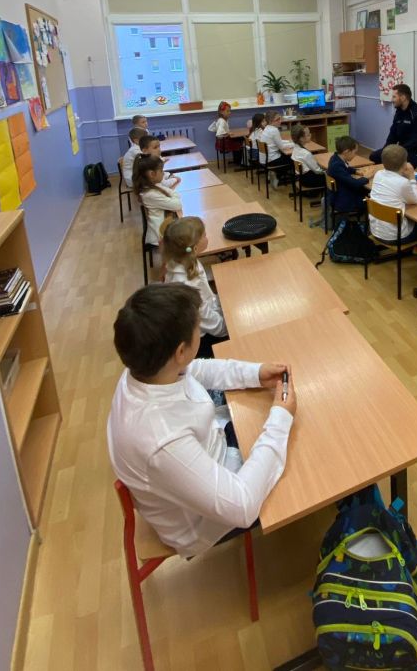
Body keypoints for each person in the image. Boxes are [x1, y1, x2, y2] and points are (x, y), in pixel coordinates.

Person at [107, 283, 296, 557]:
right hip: (201, 522)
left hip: (205, 456)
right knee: (299, 457)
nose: (200, 331)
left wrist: (255, 373)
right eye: (198, 328)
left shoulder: (146, 370)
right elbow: (242, 506)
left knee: (267, 424)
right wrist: (281, 416)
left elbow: (197, 369)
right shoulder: (161, 441)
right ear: (180, 352)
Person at [161, 218, 228, 357]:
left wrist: (222, 305)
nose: (207, 237)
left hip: (209, 322)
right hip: (202, 340)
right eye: (204, 235)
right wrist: (227, 329)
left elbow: (207, 299)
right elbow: (205, 319)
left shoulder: (185, 260)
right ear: (195, 247)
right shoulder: (186, 285)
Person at [368, 144, 417, 254]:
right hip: (396, 237)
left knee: (411, 216)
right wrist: (411, 177)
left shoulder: (378, 174)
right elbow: (415, 200)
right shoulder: (403, 183)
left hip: (376, 231)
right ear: (405, 164)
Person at [370, 84, 417, 168]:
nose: (392, 100)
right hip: (401, 149)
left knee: (394, 161)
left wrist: (397, 150)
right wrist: (386, 149)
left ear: (403, 97)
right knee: (375, 156)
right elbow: (393, 133)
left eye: (394, 97)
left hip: (416, 151)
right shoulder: (399, 111)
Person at [133, 154, 182, 245]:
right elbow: (178, 204)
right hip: (160, 236)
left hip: (164, 226)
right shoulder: (150, 194)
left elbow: (175, 195)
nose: (163, 173)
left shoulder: (153, 186)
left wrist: (173, 196)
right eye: (161, 171)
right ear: (152, 174)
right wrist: (173, 196)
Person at [291, 124, 325, 227]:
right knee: (332, 178)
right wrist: (326, 171)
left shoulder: (296, 148)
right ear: (301, 138)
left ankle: (317, 195)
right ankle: (327, 202)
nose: (310, 135)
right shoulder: (306, 154)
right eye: (308, 134)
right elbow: (318, 170)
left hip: (301, 178)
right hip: (309, 180)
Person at [327, 135, 369, 218]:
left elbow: (346, 167)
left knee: (364, 190)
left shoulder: (336, 158)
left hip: (340, 193)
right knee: (368, 196)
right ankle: (361, 221)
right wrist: (367, 177)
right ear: (346, 152)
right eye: (355, 152)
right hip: (343, 200)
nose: (355, 155)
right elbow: (355, 183)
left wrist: (355, 171)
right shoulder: (337, 166)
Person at [259, 110, 293, 187]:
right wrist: (294, 144)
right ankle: (277, 176)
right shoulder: (274, 130)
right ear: (271, 121)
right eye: (277, 119)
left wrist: (288, 142)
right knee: (293, 159)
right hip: (272, 160)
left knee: (285, 155)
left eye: (280, 118)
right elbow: (282, 147)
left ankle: (273, 173)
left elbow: (277, 142)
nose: (280, 121)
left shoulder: (267, 128)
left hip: (265, 159)